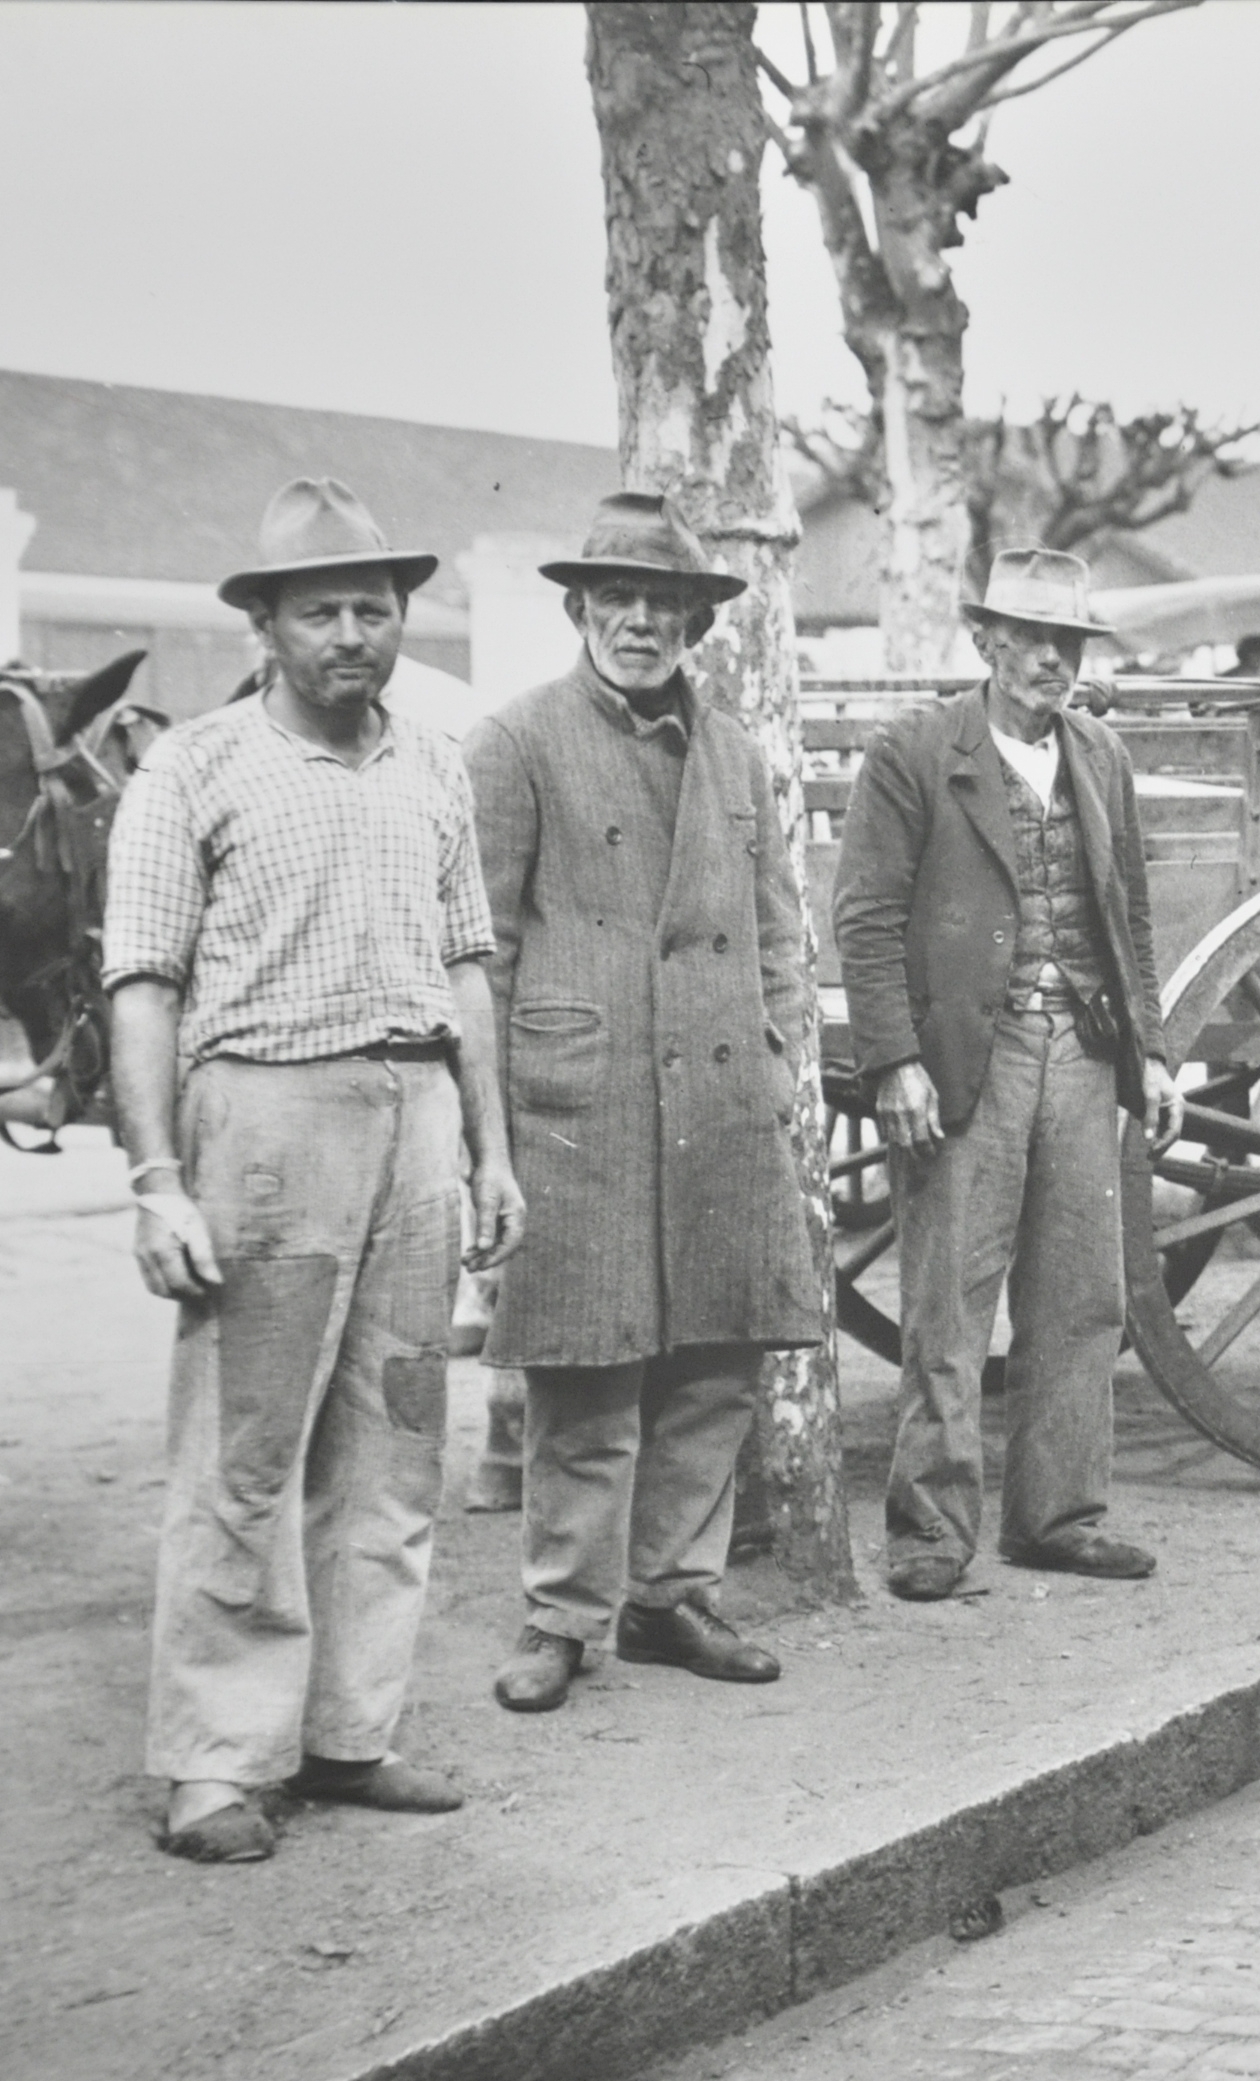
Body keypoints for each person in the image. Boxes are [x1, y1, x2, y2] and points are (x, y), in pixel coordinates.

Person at [105, 478, 523, 1862]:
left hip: (412, 1121)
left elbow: (468, 963)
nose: (353, 633)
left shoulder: (430, 766)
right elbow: (144, 987)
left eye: (375, 607)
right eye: (320, 609)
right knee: (246, 1455)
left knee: (398, 1447)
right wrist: (160, 1177)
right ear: (268, 624)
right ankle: (218, 1761)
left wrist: (491, 1144)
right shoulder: (196, 769)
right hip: (264, 1125)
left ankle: (350, 1732)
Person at [468, 494, 822, 1714]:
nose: (639, 623)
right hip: (586, 1100)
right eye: (617, 600)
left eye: (663, 605)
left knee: (715, 1365)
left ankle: (671, 1594)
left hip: (721, 1093)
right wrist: (492, 1130)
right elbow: (486, 954)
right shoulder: (515, 742)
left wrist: (781, 1060)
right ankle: (562, 1616)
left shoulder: (734, 752)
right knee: (588, 1368)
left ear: (694, 623)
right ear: (578, 610)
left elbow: (779, 928)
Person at [833, 547, 1182, 1602]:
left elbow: (1131, 919)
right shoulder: (915, 752)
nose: (1050, 660)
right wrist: (893, 1059)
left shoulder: (1100, 756)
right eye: (1029, 638)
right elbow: (866, 917)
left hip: (1080, 1047)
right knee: (950, 1294)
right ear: (985, 640)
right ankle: (934, 1530)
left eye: (1067, 642)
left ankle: (1058, 1515)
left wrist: (1153, 1050)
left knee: (1081, 1295)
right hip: (964, 1059)